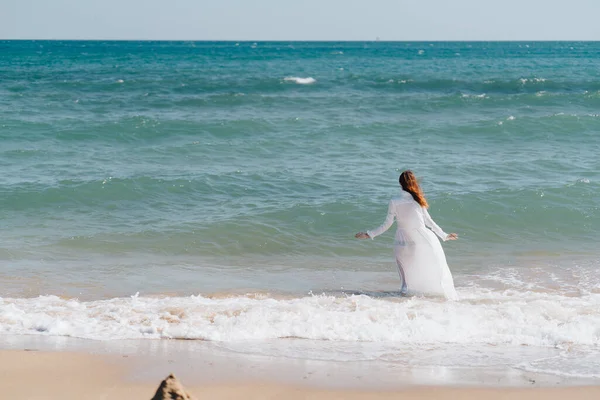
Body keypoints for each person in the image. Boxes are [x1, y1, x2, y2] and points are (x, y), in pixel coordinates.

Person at [355, 170, 459, 300]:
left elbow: (387, 224)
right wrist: (444, 235)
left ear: (400, 183)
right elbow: (429, 222)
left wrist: (369, 234)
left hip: (402, 240)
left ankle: (403, 298)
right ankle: (413, 301)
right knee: (420, 268)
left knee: (404, 274)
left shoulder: (395, 201)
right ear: (413, 183)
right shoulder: (418, 200)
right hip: (420, 239)